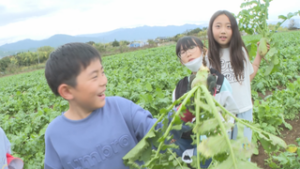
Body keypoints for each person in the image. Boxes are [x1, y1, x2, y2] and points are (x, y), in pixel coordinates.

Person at [44, 42, 184, 169]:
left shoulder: (120, 108)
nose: (104, 81)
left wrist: (184, 110)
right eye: (94, 77)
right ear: (67, 91)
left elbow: (162, 133)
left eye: (102, 72)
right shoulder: (55, 134)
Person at [171, 36, 239, 168]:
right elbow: (175, 115)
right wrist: (173, 132)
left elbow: (230, 110)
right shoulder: (180, 86)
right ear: (181, 60)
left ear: (204, 50)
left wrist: (225, 129)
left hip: (212, 139)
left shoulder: (219, 80)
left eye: (191, 47)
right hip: (185, 140)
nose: (188, 53)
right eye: (182, 52)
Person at [206, 10, 269, 144]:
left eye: (228, 26)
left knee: (243, 154)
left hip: (243, 110)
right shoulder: (208, 57)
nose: (223, 31)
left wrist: (259, 55)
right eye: (218, 26)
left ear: (234, 30)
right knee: (224, 154)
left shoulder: (240, 52)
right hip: (221, 113)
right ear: (211, 29)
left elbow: (247, 78)